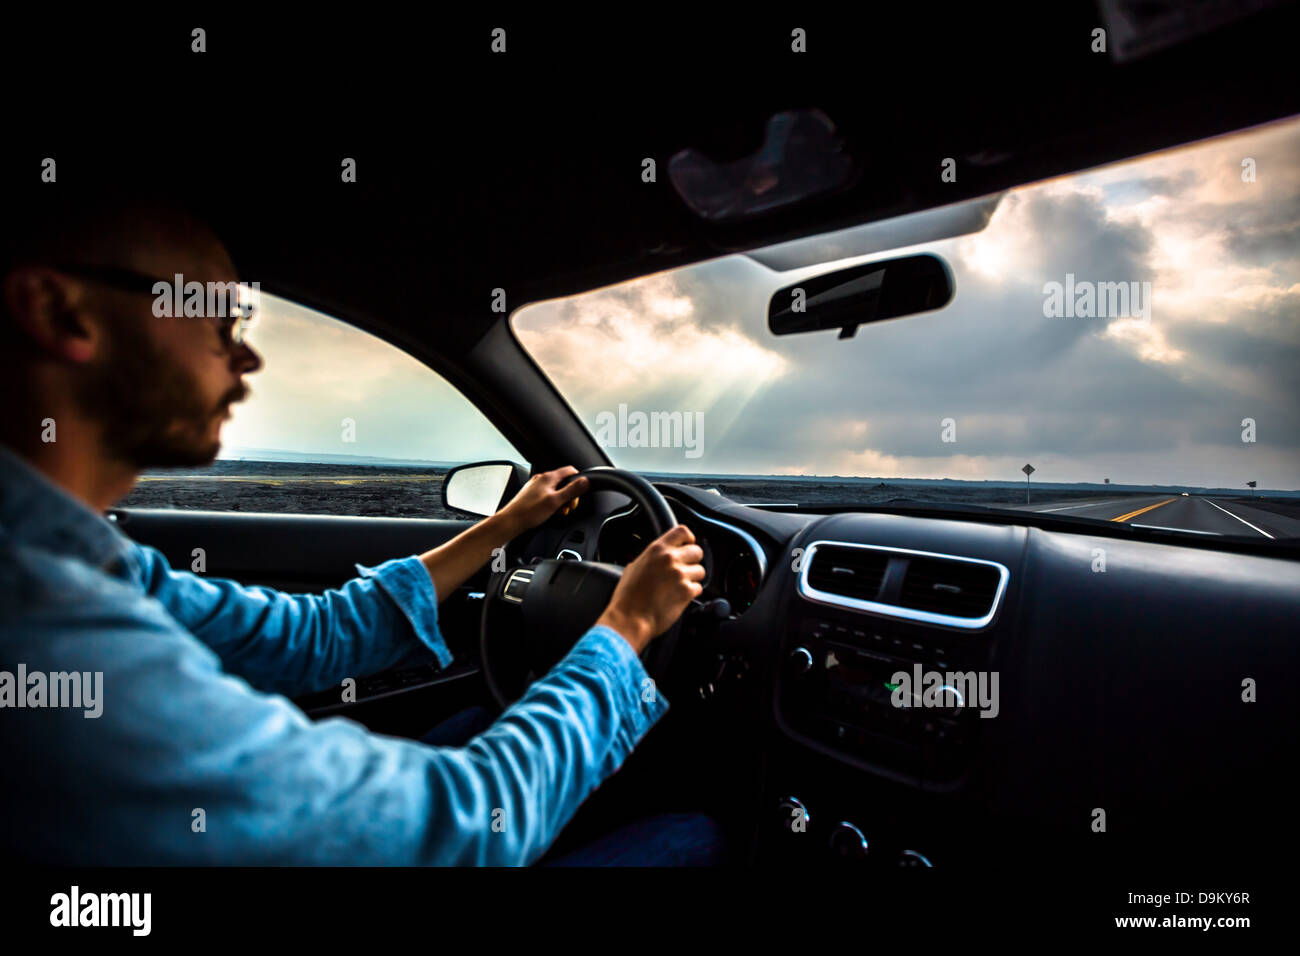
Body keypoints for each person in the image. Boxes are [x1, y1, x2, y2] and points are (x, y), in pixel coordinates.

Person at [0, 196, 725, 865]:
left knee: (476, 718)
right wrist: (626, 627)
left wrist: (508, 522)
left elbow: (316, 635)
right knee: (692, 839)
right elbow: (458, 825)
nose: (246, 357)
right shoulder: (48, 623)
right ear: (62, 312)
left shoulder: (97, 568)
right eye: (220, 319)